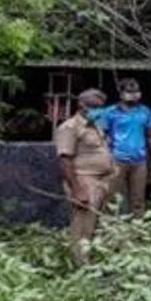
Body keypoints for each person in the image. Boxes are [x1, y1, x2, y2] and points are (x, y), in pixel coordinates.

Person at [55, 88, 115, 265]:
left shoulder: (96, 125)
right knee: (82, 226)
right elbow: (65, 160)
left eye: (101, 106)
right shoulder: (69, 127)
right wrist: (77, 190)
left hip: (101, 181)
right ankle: (80, 264)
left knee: (94, 224)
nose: (98, 110)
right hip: (84, 180)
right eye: (94, 106)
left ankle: (90, 260)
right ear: (81, 105)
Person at [99, 78, 151, 220]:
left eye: (136, 91)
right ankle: (111, 227)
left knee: (138, 199)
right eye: (129, 91)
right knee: (113, 198)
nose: (134, 94)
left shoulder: (145, 112)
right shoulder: (110, 112)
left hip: (140, 161)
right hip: (116, 159)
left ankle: (137, 228)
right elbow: (102, 137)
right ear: (121, 93)